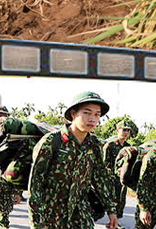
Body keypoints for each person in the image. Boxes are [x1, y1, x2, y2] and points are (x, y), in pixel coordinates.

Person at [28, 91, 118, 229]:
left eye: (97, 114)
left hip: (80, 212)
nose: (92, 119)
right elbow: (35, 183)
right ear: (73, 114)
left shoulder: (94, 145)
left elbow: (100, 177)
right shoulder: (52, 141)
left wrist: (111, 210)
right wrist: (35, 222)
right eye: (87, 113)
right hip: (51, 213)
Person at [102, 119, 134, 220]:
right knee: (112, 201)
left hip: (122, 178)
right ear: (117, 130)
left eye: (128, 130)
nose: (126, 132)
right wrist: (113, 174)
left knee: (121, 201)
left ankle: (116, 221)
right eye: (124, 130)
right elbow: (104, 164)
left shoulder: (128, 147)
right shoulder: (110, 145)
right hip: (111, 178)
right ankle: (112, 221)